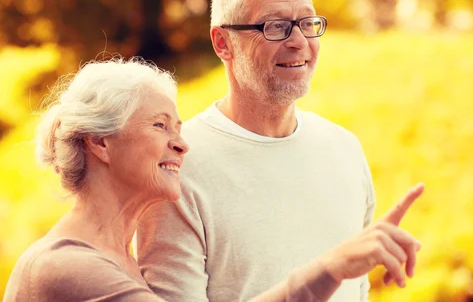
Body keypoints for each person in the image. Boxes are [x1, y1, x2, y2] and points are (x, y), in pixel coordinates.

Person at [3, 58, 423, 302]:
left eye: (179, 128)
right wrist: (330, 267)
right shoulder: (68, 267)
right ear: (100, 143)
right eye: (160, 126)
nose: (182, 145)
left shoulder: (119, 260)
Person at [136, 0, 423, 302]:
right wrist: (329, 268)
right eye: (276, 27)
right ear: (223, 43)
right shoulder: (176, 164)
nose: (299, 42)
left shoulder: (344, 149)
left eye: (306, 23)